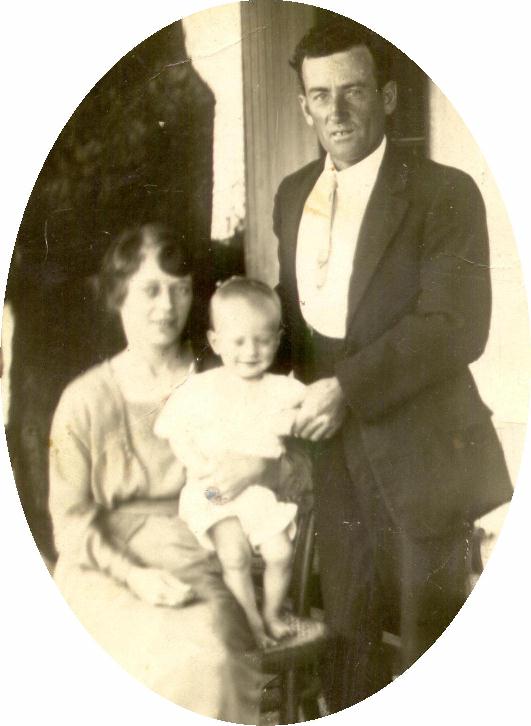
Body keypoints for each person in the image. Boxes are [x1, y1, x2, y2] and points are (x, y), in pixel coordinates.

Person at [273, 21, 513, 712]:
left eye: (352, 92)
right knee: (346, 642)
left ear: (386, 96)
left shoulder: (443, 190)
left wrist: (345, 388)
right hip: (331, 459)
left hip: (422, 456)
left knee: (429, 643)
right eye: (320, 96)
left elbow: (455, 325)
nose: (336, 112)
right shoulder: (291, 195)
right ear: (303, 106)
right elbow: (295, 332)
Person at [48, 224, 268, 722]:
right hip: (103, 570)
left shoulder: (221, 383)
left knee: (208, 657)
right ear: (118, 295)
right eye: (150, 289)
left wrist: (253, 465)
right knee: (134, 662)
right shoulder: (82, 401)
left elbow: (273, 463)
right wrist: (136, 577)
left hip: (194, 554)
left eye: (179, 289)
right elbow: (69, 525)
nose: (166, 306)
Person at [155, 277, 305, 648]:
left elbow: (306, 422)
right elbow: (173, 428)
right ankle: (251, 622)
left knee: (281, 553)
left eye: (263, 340)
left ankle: (271, 612)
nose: (251, 351)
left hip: (258, 493)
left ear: (277, 339)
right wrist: (200, 466)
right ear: (216, 341)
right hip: (211, 489)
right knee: (234, 554)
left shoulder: (281, 390)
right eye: (238, 341)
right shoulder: (202, 388)